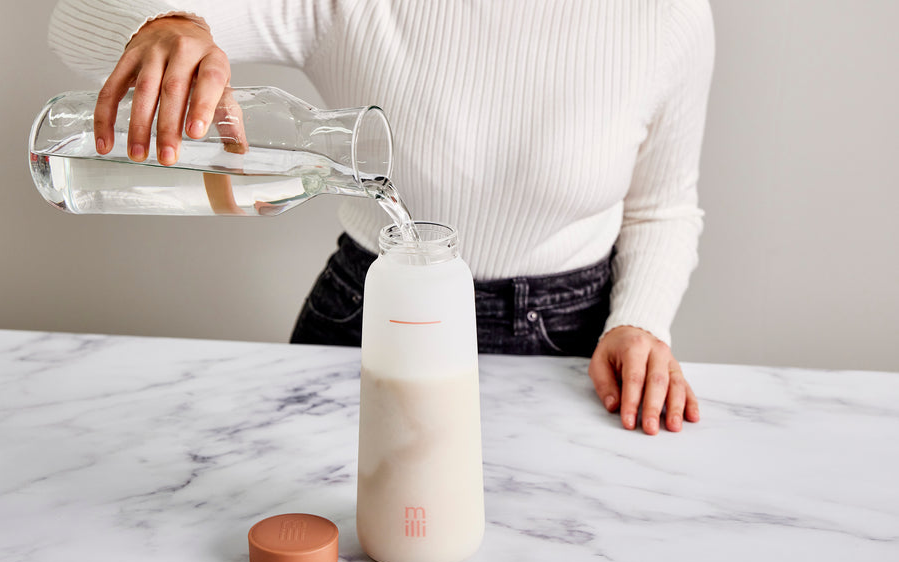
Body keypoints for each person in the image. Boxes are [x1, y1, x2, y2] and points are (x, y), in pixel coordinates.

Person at [48, 0, 714, 435]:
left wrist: (640, 322)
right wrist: (167, 25)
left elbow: (662, 208)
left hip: (574, 347)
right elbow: (76, 17)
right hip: (368, 319)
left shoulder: (667, 16)